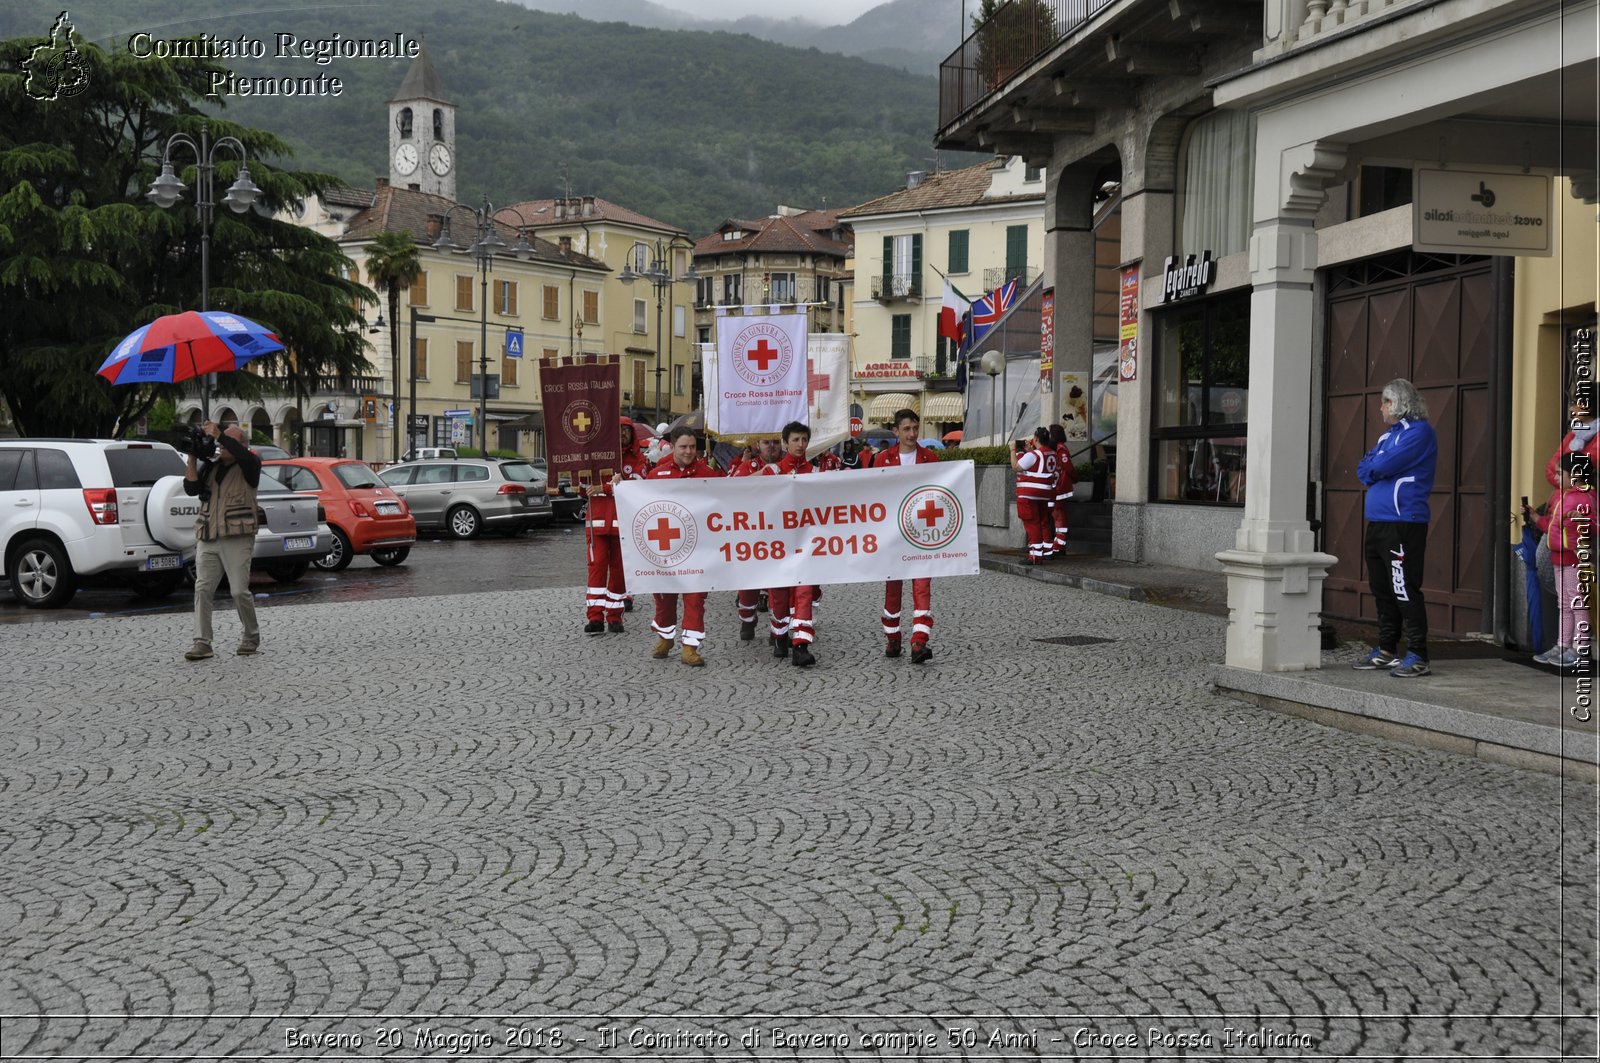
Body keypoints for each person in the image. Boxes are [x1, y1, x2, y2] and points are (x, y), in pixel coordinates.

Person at [1353, 378, 1439, 678]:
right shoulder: (1386, 437)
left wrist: (1377, 465)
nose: (1381, 407)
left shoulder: (1419, 433)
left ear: (1401, 403)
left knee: (1403, 588)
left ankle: (1418, 654)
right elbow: (1363, 469)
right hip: (1378, 522)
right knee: (1381, 588)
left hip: (1404, 522)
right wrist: (1376, 465)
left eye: (1386, 401)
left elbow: (1380, 468)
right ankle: (1387, 650)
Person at [183, 422, 261, 660]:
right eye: (220, 441)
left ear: (242, 445)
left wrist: (220, 434)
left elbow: (243, 456)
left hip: (236, 536)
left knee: (238, 591)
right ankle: (202, 642)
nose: (221, 445)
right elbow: (191, 488)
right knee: (202, 589)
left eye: (228, 441)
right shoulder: (212, 467)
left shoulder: (250, 465)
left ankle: (251, 635)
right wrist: (193, 458)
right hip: (208, 534)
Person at [646, 428, 722, 666]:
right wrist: (619, 487)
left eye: (692, 447)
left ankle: (690, 647)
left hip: (698, 549)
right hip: (666, 549)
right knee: (663, 596)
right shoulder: (657, 475)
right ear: (673, 446)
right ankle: (665, 637)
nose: (689, 451)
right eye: (683, 447)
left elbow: (723, 504)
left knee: (695, 597)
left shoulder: (707, 474)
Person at [872, 408, 939, 663]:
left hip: (921, 533)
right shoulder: (882, 460)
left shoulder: (929, 458)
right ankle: (893, 639)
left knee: (922, 585)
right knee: (892, 588)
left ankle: (919, 642)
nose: (912, 433)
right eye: (907, 429)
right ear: (896, 431)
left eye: (915, 428)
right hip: (892, 535)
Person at [583, 417, 648, 635]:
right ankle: (594, 617)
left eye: (626, 431)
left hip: (624, 525)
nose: (621, 434)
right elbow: (584, 487)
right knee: (597, 569)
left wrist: (611, 487)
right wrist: (609, 486)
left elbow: (639, 486)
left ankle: (614, 617)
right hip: (597, 523)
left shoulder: (638, 459)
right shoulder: (596, 458)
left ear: (632, 434)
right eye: (617, 430)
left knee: (620, 572)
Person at [760, 421, 818, 667]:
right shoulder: (772, 472)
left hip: (805, 542)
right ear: (785, 443)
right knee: (780, 594)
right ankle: (780, 635)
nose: (800, 445)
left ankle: (801, 644)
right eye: (795, 440)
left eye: (804, 440)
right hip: (778, 543)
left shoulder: (815, 473)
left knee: (804, 591)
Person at [1532, 452, 1595, 668]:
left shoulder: (1585, 497)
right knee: (1564, 604)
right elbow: (1553, 527)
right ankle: (1563, 645)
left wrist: (1581, 520)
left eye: (1560, 473)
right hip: (1559, 557)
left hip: (1574, 558)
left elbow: (1595, 526)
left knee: (1577, 603)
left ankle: (1580, 648)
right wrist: (1535, 518)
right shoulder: (1562, 496)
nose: (1556, 478)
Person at [729, 437, 776, 638]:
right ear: (758, 445)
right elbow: (730, 489)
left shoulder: (786, 466)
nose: (771, 446)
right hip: (751, 535)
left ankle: (781, 629)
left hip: (778, 535)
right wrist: (763, 473)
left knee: (781, 584)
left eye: (775, 442)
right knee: (748, 585)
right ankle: (747, 619)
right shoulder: (748, 466)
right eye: (767, 442)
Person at [1010, 426, 1058, 564]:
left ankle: (1035, 556)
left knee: (1032, 524)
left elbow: (1016, 467)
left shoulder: (1034, 455)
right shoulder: (1052, 453)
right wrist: (1030, 451)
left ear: (1035, 439)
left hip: (1029, 494)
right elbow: (1040, 466)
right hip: (1045, 493)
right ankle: (1044, 551)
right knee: (1043, 521)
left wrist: (1013, 450)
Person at [1048, 423, 1077, 555]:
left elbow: (1068, 466)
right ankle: (1059, 544)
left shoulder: (1060, 449)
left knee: (1059, 516)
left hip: (1060, 486)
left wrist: (1074, 477)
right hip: (1059, 486)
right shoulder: (1059, 448)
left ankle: (1059, 545)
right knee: (1058, 515)